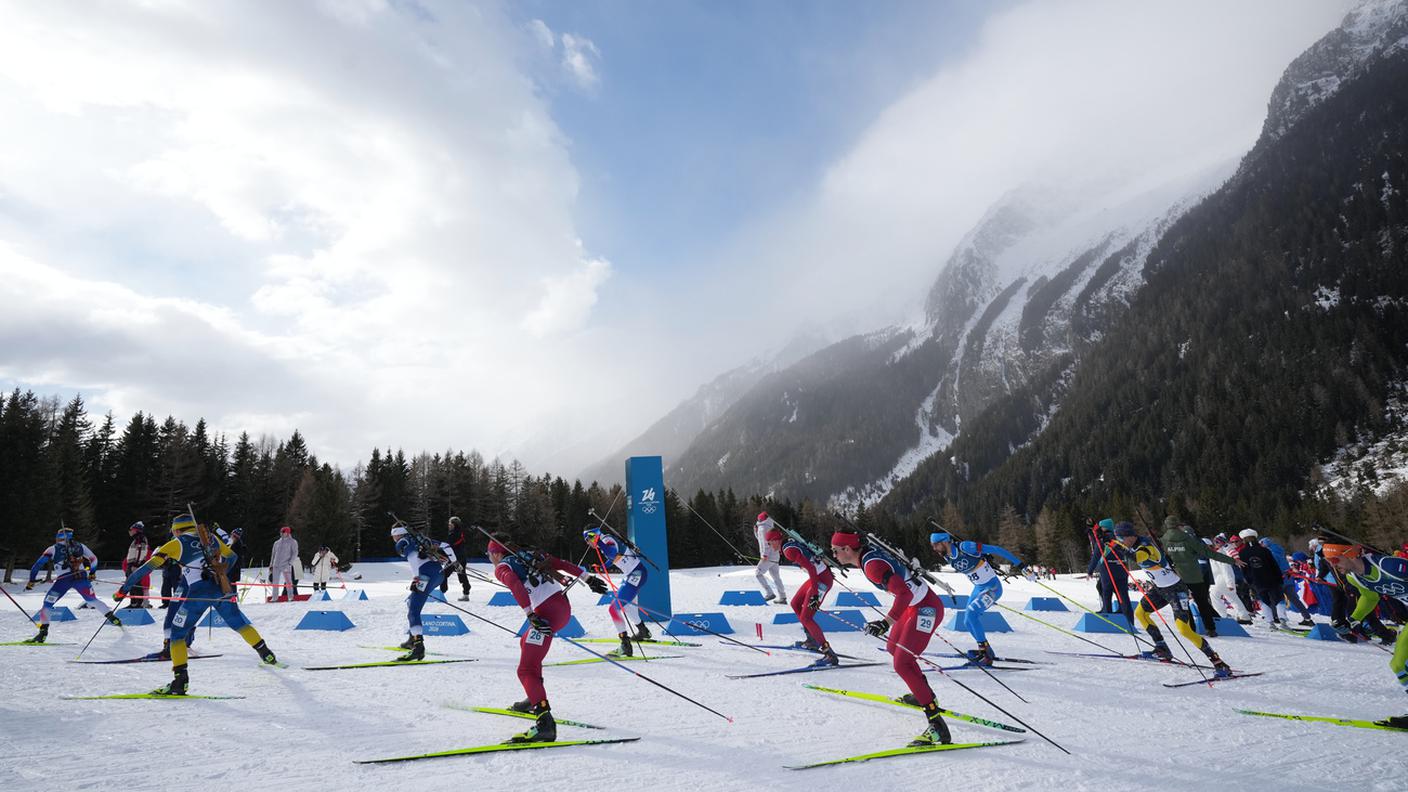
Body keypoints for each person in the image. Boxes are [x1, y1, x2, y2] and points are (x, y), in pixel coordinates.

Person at [115, 513, 278, 695]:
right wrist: (221, 572)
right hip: (221, 588)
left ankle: (179, 683)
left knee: (177, 635)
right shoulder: (210, 538)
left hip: (198, 594)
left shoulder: (176, 543)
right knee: (239, 624)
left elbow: (145, 569)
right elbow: (231, 557)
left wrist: (124, 590)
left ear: (177, 530)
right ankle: (267, 655)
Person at [830, 530, 950, 746]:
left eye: (835, 551)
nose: (834, 555)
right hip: (914, 608)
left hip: (926, 609)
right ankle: (924, 693)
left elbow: (905, 594)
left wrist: (885, 623)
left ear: (847, 549)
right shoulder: (867, 557)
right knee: (894, 648)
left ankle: (937, 725)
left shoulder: (871, 566)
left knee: (902, 663)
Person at [490, 539, 608, 743]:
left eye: (489, 555)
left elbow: (515, 584)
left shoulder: (503, 567)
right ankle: (532, 699)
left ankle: (545, 723)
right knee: (525, 645)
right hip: (562, 609)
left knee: (526, 670)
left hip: (546, 615)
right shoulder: (531, 555)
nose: (490, 559)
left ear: (496, 553)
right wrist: (588, 579)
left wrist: (529, 614)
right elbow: (562, 563)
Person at [1111, 523, 1232, 676]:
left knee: (1184, 629)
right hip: (1159, 589)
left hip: (1175, 590)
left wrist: (1118, 547)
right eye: (1118, 538)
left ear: (1130, 536)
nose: (1121, 541)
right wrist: (1107, 538)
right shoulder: (1131, 544)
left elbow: (1137, 557)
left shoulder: (1145, 546)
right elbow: (1122, 547)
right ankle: (1162, 649)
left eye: (1121, 538)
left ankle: (1219, 663)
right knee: (1141, 613)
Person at [1324, 544, 1408, 727]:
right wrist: (1353, 620)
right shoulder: (1354, 578)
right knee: (1399, 664)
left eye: (1335, 559)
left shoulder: (1389, 565)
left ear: (1351, 554)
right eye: (1329, 562)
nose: (1333, 565)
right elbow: (1370, 597)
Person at [929, 530, 1026, 666]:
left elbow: (997, 549)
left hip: (992, 588)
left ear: (944, 542)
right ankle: (986, 650)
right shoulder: (947, 556)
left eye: (935, 545)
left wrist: (1021, 565)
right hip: (979, 589)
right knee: (967, 621)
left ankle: (985, 654)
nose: (934, 549)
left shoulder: (966, 547)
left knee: (971, 616)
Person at [23, 528, 123, 643]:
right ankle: (114, 619)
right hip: (81, 578)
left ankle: (42, 634)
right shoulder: (81, 546)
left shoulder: (52, 549)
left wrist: (31, 581)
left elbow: (37, 565)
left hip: (63, 581)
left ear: (58, 537)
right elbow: (94, 559)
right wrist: (92, 572)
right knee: (92, 600)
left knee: (47, 604)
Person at [1159, 517, 1242, 637]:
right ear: (1178, 525)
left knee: (1183, 605)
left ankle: (1190, 629)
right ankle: (1210, 628)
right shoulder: (1188, 539)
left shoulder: (1163, 540)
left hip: (1177, 576)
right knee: (1202, 603)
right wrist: (1232, 561)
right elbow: (1209, 553)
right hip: (1194, 576)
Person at [391, 524, 457, 661]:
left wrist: (417, 579)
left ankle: (418, 648)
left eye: (393, 535)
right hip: (438, 574)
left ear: (398, 534)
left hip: (425, 576)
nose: (393, 538)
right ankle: (411, 639)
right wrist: (454, 561)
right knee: (411, 601)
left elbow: (414, 559)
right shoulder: (420, 539)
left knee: (413, 610)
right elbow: (445, 545)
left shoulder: (404, 542)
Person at [773, 528, 838, 665]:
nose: (769, 546)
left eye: (769, 542)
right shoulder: (789, 543)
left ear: (776, 541)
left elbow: (811, 568)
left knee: (806, 617)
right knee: (795, 603)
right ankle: (811, 640)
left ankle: (829, 654)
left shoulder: (788, 551)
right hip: (819, 576)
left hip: (821, 581)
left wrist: (815, 592)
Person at [584, 526, 650, 658]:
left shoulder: (606, 540)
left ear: (593, 535)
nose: (587, 543)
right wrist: (602, 567)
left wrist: (599, 542)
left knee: (613, 609)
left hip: (636, 574)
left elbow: (613, 553)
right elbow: (615, 558)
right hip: (635, 574)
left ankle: (625, 645)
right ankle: (643, 631)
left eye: (588, 539)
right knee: (628, 607)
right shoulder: (605, 541)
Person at [1237, 530, 1289, 627]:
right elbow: (1274, 565)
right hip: (1271, 579)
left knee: (1263, 601)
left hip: (1256, 581)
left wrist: (1249, 581)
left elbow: (1244, 569)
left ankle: (1270, 623)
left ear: (1243, 539)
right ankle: (1283, 621)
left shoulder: (1242, 552)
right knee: (1279, 599)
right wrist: (1279, 578)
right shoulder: (1265, 550)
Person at [1259, 535, 1314, 626]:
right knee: (1294, 599)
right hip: (1288, 578)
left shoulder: (1270, 553)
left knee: (1274, 598)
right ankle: (1307, 618)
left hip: (1279, 578)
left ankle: (1276, 617)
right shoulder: (1279, 550)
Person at [1087, 518, 1133, 625]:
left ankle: (1108, 616)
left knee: (1106, 592)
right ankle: (1129, 619)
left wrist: (1090, 571)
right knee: (1123, 594)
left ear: (1105, 528)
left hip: (1108, 570)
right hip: (1122, 570)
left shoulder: (1103, 540)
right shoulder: (1120, 538)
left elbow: (1096, 556)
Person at [1209, 535, 1253, 623]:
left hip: (1222, 580)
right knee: (1230, 597)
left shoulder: (1221, 554)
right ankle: (1244, 616)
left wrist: (1229, 583)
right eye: (1215, 543)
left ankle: (1223, 616)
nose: (1215, 544)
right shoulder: (1215, 554)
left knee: (1217, 596)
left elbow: (1226, 569)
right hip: (1219, 580)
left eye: (1217, 542)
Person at [753, 512, 788, 603]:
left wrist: (764, 555)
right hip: (775, 556)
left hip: (768, 556)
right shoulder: (770, 526)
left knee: (758, 573)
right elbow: (761, 539)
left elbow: (765, 543)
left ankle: (769, 593)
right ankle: (782, 597)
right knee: (776, 577)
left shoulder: (762, 528)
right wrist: (756, 532)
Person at [121, 521, 152, 609]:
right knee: (131, 584)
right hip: (131, 564)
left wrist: (136, 564)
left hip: (135, 565)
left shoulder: (140, 538)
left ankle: (139, 603)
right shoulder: (136, 539)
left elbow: (140, 552)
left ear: (136, 530)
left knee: (136, 585)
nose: (130, 532)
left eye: (132, 530)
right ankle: (133, 602)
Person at [445, 516, 474, 600]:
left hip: (455, 559)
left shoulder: (453, 534)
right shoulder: (461, 533)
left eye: (450, 524)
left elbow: (448, 547)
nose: (449, 526)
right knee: (462, 575)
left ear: (455, 525)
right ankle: (466, 593)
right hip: (461, 558)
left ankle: (440, 591)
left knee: (443, 574)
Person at [270, 526, 299, 601]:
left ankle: (290, 596)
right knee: (275, 582)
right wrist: (271, 564)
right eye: (281, 532)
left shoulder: (293, 542)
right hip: (276, 565)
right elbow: (273, 554)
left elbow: (295, 553)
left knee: (288, 581)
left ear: (288, 532)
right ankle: (274, 597)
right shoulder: (276, 543)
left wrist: (290, 563)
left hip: (286, 564)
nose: (282, 533)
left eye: (283, 532)